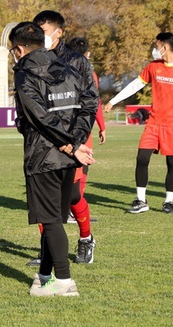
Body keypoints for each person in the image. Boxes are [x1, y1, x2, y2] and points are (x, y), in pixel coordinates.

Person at [9, 22, 97, 297]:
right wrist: (78, 141)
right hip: (67, 157)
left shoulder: (26, 75)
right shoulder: (70, 67)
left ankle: (64, 282)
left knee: (50, 220)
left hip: (45, 156)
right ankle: (45, 275)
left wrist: (71, 145)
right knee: (54, 218)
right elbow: (89, 102)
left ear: (19, 49)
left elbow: (39, 118)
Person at [105, 32, 173, 214]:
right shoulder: (153, 67)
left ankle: (169, 202)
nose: (155, 49)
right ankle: (141, 200)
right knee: (142, 158)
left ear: (165, 47)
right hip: (154, 123)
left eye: (157, 45)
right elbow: (136, 84)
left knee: (172, 163)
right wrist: (113, 100)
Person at [64, 37, 105, 264]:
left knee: (72, 195)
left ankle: (86, 238)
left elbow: (92, 105)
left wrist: (98, 127)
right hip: (45, 141)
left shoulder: (87, 75)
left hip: (76, 139)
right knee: (42, 199)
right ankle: (46, 250)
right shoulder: (41, 68)